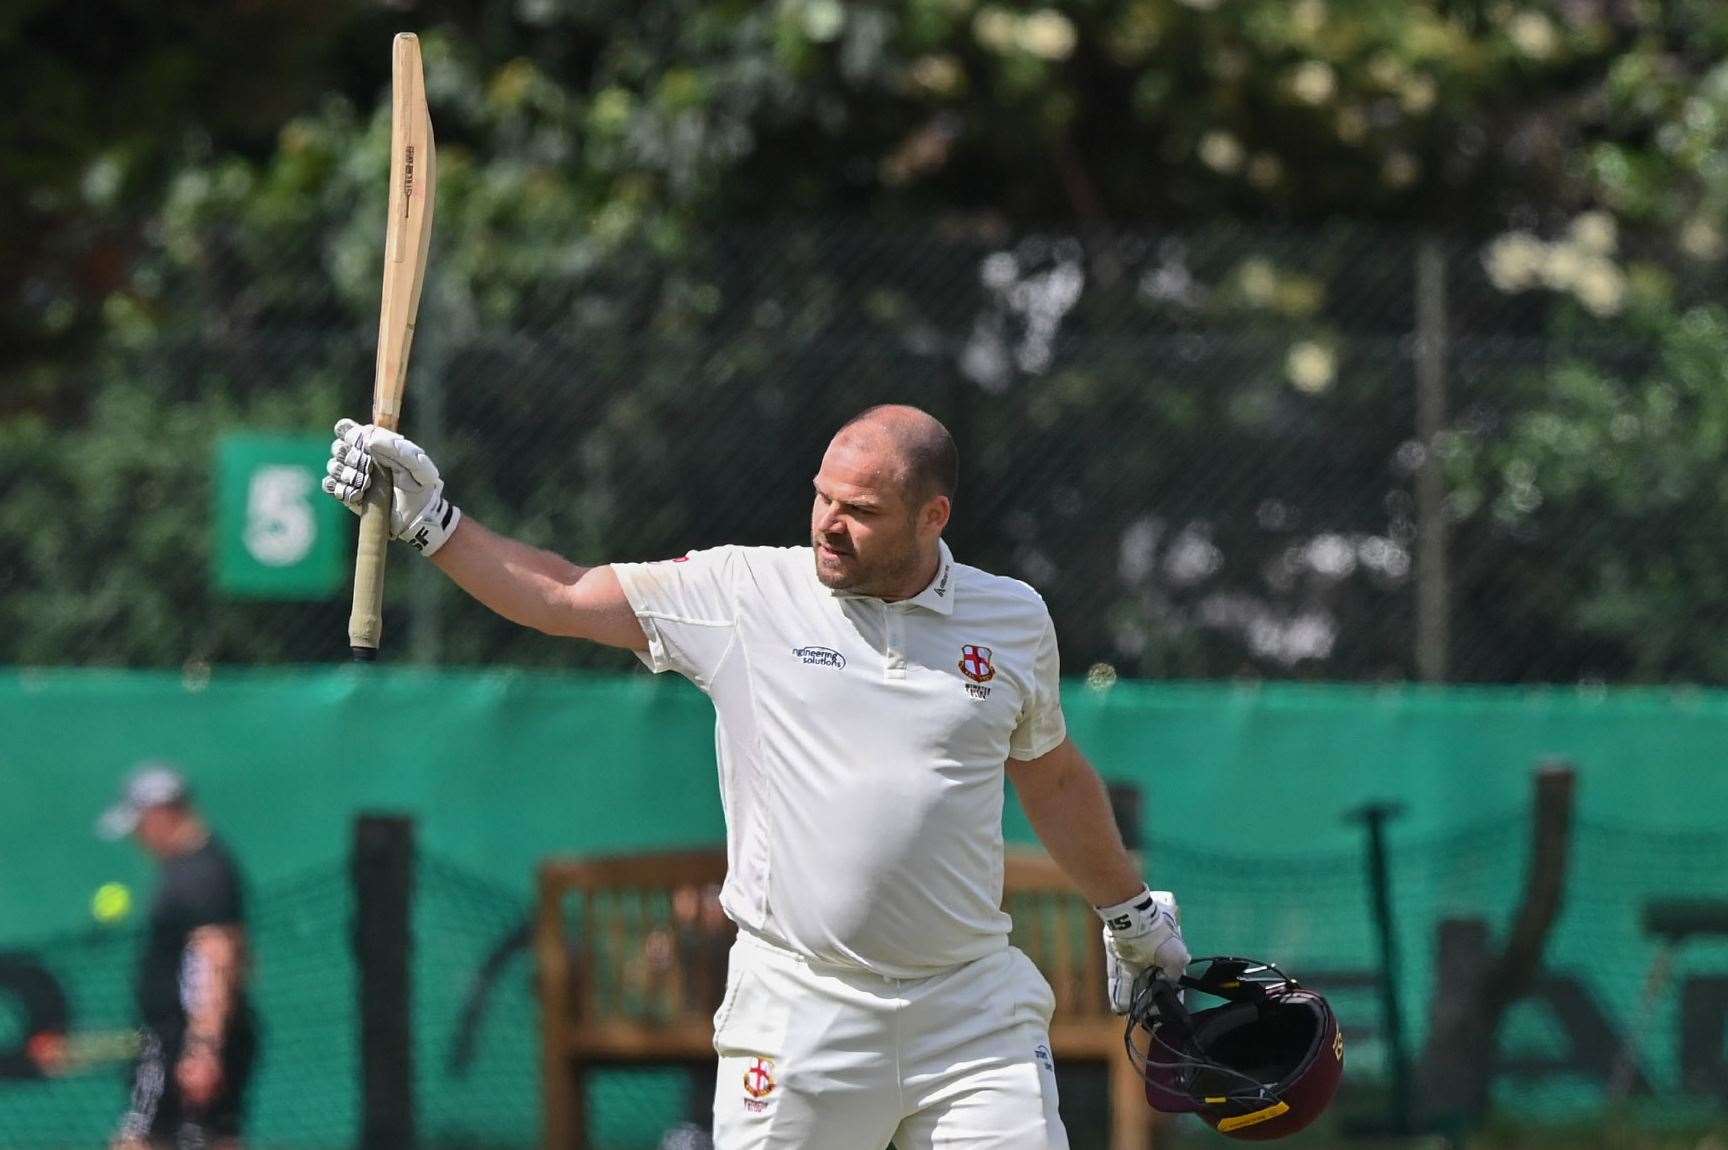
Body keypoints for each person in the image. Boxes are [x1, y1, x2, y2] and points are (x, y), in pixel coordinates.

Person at [322, 404, 1189, 1149]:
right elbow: (563, 595)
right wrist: (430, 521)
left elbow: (1052, 777)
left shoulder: (1012, 617)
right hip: (800, 1008)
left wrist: (1131, 917)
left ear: (933, 516)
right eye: (821, 496)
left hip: (970, 1009)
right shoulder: (746, 592)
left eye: (859, 509)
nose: (827, 522)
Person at [98, 762, 257, 1150]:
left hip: (179, 1041)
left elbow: (217, 956)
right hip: (194, 1038)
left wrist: (202, 1045)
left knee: (138, 1141)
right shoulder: (206, 866)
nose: (138, 836)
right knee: (211, 1139)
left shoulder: (198, 874)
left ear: (161, 813)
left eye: (139, 824)